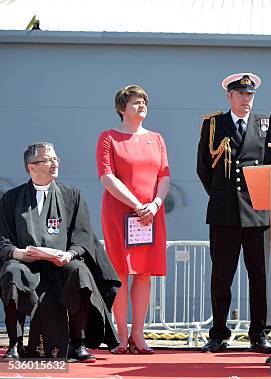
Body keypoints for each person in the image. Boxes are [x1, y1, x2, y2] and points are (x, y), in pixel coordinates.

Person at [0, 142, 120, 361]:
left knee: (80, 272)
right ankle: (14, 344)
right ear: (31, 167)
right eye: (48, 160)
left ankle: (78, 343)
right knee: (12, 273)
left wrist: (70, 254)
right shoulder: (11, 199)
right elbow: (3, 239)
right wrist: (18, 253)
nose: (55, 163)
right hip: (26, 263)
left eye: (56, 158)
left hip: (62, 263)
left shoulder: (71, 195)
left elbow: (83, 235)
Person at [196, 73, 271, 354]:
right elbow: (204, 167)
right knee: (221, 277)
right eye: (240, 94)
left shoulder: (266, 124)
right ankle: (218, 333)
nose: (245, 99)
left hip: (258, 212)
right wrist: (220, 195)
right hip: (224, 212)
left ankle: (259, 334)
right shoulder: (213, 124)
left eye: (249, 95)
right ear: (229, 96)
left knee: (259, 277)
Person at [96, 85, 171, 354]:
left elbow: (164, 175)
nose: (142, 106)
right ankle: (121, 335)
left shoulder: (157, 138)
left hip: (150, 215)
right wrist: (137, 205)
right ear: (121, 108)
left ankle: (139, 334)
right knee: (120, 271)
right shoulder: (109, 138)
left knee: (144, 272)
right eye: (136, 102)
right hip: (121, 213)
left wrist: (155, 204)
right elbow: (107, 177)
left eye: (144, 102)